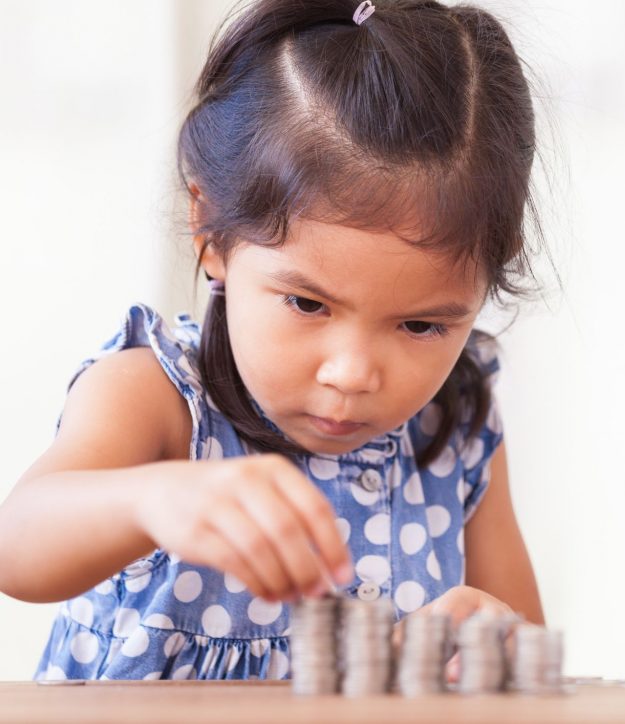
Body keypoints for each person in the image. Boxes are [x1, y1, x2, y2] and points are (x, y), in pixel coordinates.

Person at [0, 0, 545, 681]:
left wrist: (487, 646)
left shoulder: (455, 431)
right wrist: (155, 498)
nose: (351, 374)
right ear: (212, 233)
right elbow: (15, 547)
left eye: (421, 325)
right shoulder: (159, 397)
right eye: (307, 303)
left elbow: (521, 646)